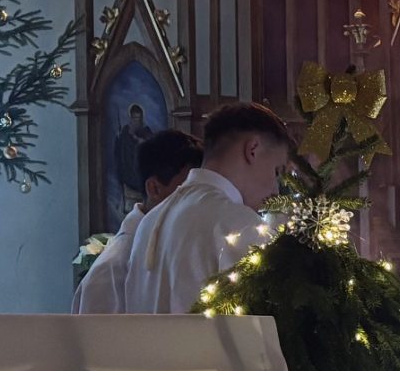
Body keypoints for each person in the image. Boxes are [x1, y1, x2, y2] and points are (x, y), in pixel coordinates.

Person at [119, 101, 294, 313]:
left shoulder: (149, 221)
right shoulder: (237, 223)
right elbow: (265, 320)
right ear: (253, 150)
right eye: (276, 171)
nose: (275, 189)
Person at [74, 129, 201, 314]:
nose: (201, 201)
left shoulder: (180, 246)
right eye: (190, 190)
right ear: (154, 188)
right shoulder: (112, 269)